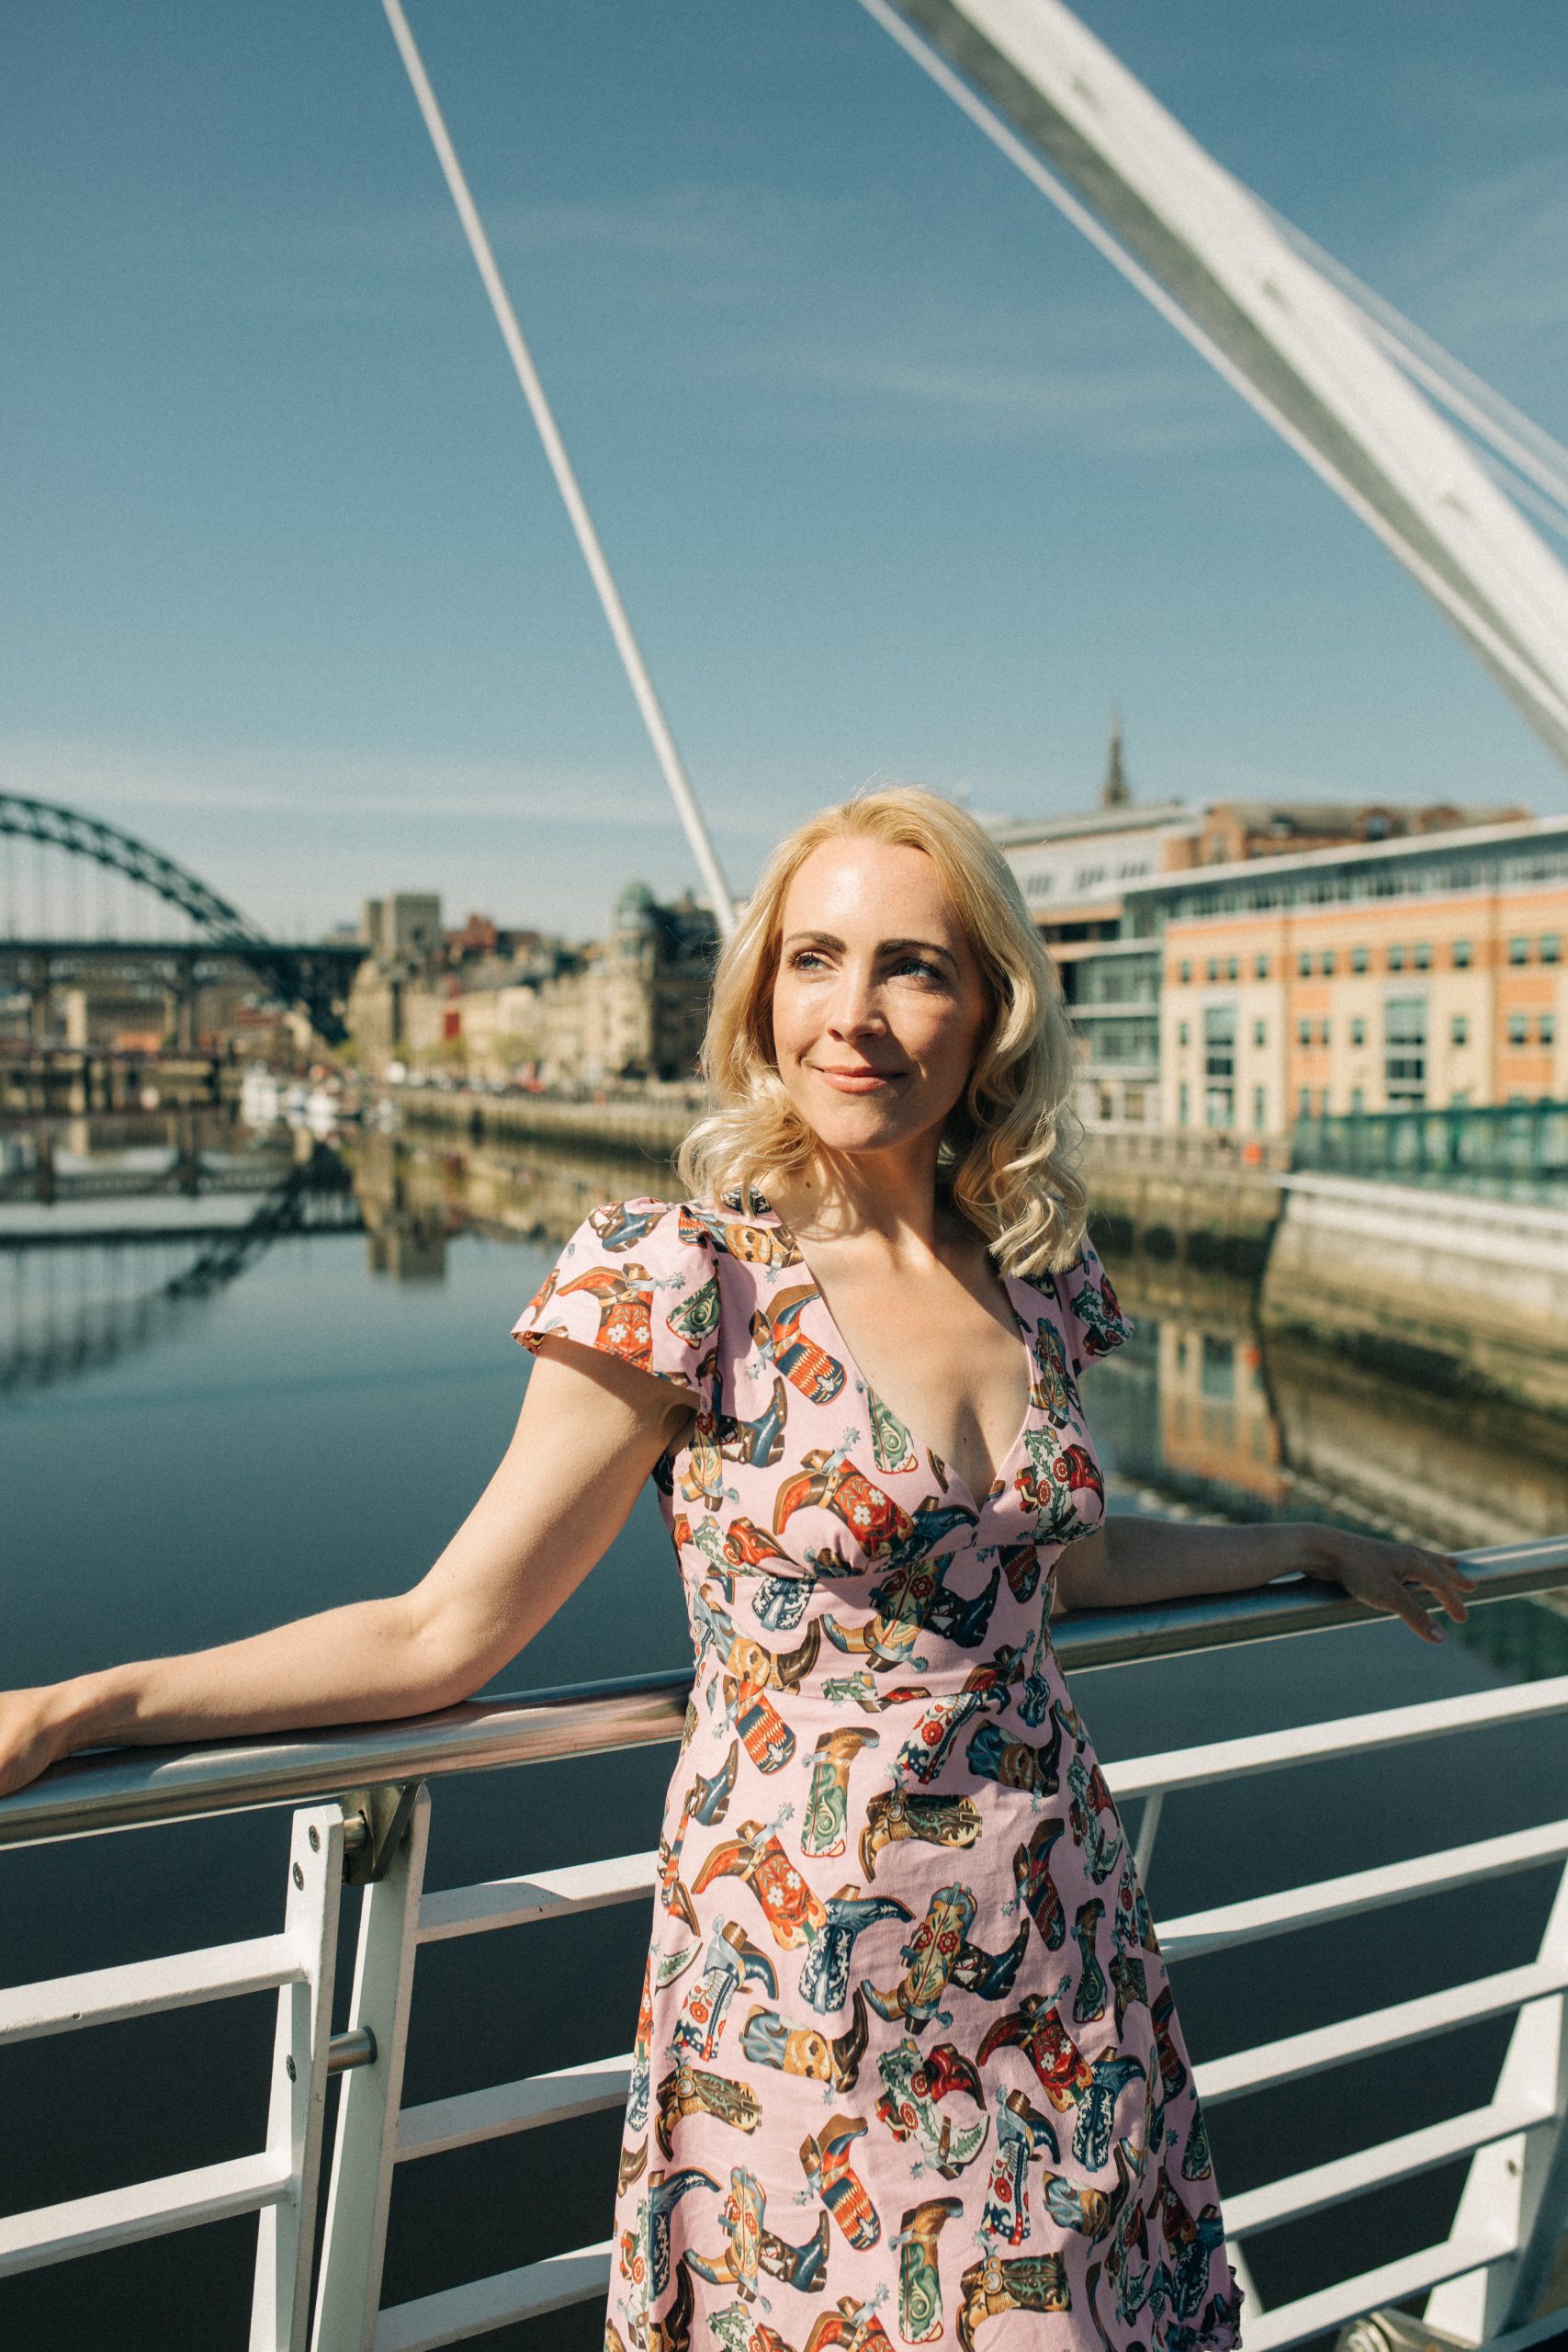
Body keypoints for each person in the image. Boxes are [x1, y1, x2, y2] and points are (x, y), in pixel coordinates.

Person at [1, 788, 1472, 2351]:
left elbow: (1069, 1568)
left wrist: (1307, 1540)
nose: (857, 1014)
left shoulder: (1038, 1281)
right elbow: (444, 1631)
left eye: (913, 967)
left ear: (990, 1012)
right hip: (808, 1976)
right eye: (814, 960)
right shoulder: (684, 1277)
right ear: (762, 998)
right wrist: (85, 1706)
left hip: (1057, 1932)